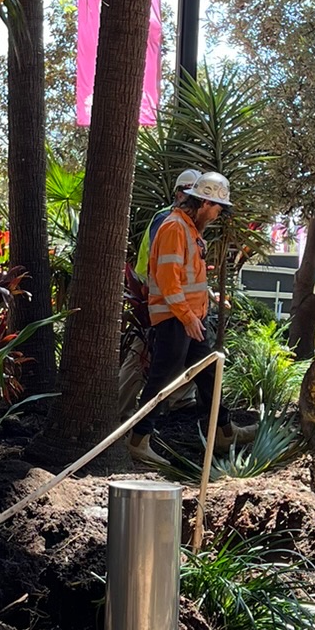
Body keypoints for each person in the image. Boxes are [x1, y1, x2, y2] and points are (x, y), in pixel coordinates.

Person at [128, 171, 237, 466]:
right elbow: (167, 279)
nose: (218, 214)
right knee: (163, 376)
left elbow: (187, 279)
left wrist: (201, 307)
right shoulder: (175, 227)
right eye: (217, 208)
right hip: (176, 317)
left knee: (208, 373)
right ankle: (139, 439)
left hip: (188, 317)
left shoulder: (189, 229)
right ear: (203, 203)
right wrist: (188, 316)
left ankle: (224, 431)